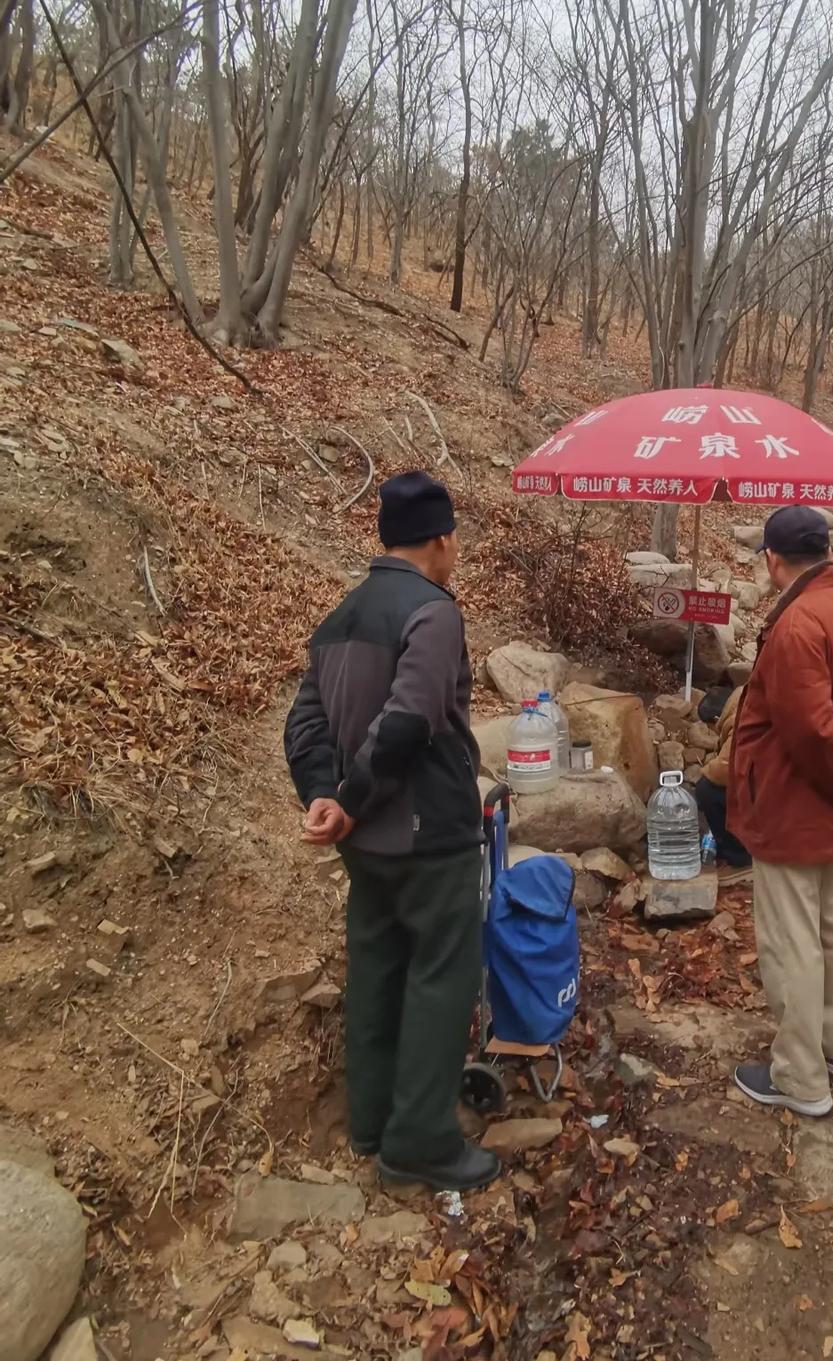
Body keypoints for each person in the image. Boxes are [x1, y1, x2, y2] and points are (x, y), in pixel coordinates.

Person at [283, 471, 499, 1192]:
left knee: (378, 969)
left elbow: (304, 723)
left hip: (365, 846)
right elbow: (409, 720)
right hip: (427, 834)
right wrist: (346, 795)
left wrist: (324, 795)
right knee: (443, 976)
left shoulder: (342, 615)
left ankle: (372, 1121)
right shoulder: (432, 612)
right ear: (441, 538)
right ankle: (421, 1144)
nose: (456, 549)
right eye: (455, 537)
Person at [727, 504, 833, 1118]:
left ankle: (802, 1079)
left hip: (793, 810)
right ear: (825, 554)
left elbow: (813, 732)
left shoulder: (799, 624)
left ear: (774, 561)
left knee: (793, 943)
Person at [692, 685, 752, 869]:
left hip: (772, 793)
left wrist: (704, 772)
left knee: (706, 790)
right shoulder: (746, 698)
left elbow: (726, 769)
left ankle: (738, 857)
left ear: (717, 719)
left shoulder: (739, 720)